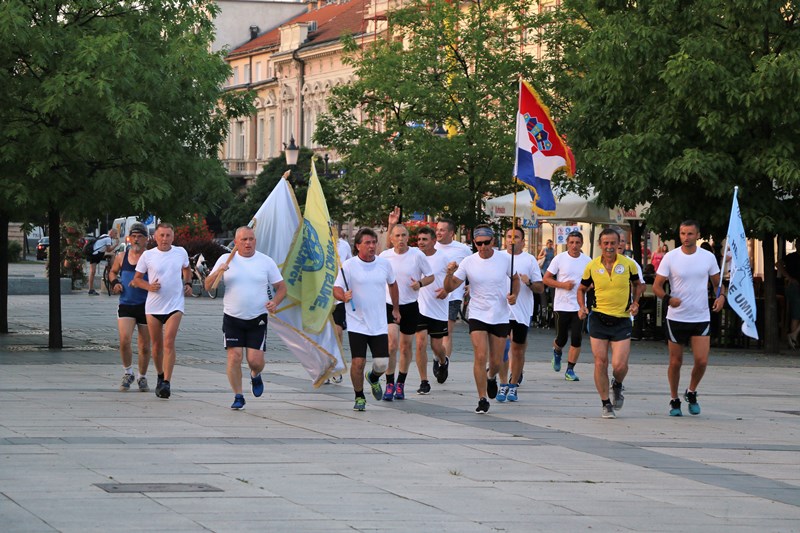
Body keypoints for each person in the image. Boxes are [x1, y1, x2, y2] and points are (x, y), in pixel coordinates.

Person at [206, 226, 287, 410]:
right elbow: (208, 286)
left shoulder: (265, 262)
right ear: (236, 242)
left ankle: (255, 375)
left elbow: (281, 287)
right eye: (244, 240)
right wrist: (219, 270)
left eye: (251, 239)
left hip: (257, 318)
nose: (248, 243)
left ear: (255, 241)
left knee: (255, 361)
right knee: (234, 357)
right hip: (232, 316)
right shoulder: (225, 260)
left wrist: (275, 302)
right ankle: (238, 395)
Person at [652, 220, 724, 416]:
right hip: (677, 317)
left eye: (690, 234)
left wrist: (721, 297)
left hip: (700, 315)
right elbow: (657, 286)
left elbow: (718, 284)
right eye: (683, 233)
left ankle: (691, 392)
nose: (686, 237)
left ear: (697, 234)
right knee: (676, 362)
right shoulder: (670, 257)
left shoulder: (707, 257)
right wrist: (668, 298)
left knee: (701, 361)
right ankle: (674, 399)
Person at [444, 225, 518, 414]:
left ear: (493, 241)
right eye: (479, 243)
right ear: (474, 243)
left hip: (500, 315)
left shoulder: (504, 259)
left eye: (486, 242)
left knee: (496, 361)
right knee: (480, 355)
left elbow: (515, 279)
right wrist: (449, 273)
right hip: (478, 314)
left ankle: (491, 376)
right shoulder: (469, 262)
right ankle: (482, 398)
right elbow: (450, 287)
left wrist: (514, 294)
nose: (483, 247)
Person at [577, 228, 641, 419]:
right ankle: (606, 403)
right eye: (606, 243)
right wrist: (582, 307)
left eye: (613, 243)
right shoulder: (592, 266)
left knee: (620, 365)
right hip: (598, 318)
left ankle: (618, 384)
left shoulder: (629, 264)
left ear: (619, 243)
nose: (610, 247)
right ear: (600, 245)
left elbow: (639, 284)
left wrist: (635, 302)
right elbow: (581, 289)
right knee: (600, 361)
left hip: (622, 319)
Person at [333, 228, 400, 411]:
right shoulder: (348, 266)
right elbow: (336, 288)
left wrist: (395, 308)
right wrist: (343, 296)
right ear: (358, 246)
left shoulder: (384, 264)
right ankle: (359, 396)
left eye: (374, 242)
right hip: (357, 322)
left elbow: (393, 285)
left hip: (378, 323)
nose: (372, 246)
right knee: (358, 362)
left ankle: (373, 377)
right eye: (367, 243)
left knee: (381, 363)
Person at [131, 223, 192, 399]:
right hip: (154, 306)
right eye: (162, 235)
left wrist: (187, 283)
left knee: (169, 342)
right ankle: (159, 375)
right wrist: (149, 286)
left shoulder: (180, 252)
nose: (165, 239)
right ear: (155, 237)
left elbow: (186, 268)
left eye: (168, 235)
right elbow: (136, 280)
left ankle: (167, 382)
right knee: (156, 346)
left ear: (173, 237)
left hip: (175, 304)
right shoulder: (148, 256)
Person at [379, 214, 433, 400]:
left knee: (405, 346)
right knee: (392, 344)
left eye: (404, 235)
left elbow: (430, 276)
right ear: (391, 239)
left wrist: (420, 283)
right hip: (390, 305)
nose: (401, 239)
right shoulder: (385, 256)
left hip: (410, 305)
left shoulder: (417, 255)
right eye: (397, 236)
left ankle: (401, 382)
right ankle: (389, 383)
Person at [543, 230, 592, 382]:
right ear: (567, 244)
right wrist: (562, 285)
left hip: (579, 305)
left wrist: (588, 287)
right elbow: (546, 279)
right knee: (562, 338)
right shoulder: (559, 259)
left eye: (577, 243)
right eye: (571, 242)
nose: (574, 246)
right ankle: (557, 352)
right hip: (561, 305)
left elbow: (593, 281)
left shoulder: (588, 260)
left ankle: (570, 370)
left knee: (577, 338)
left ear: (582, 244)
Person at [501, 227, 543, 402]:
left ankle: (513, 384)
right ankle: (503, 384)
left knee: (517, 350)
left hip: (521, 311)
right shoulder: (499, 257)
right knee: (502, 349)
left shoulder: (530, 260)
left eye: (516, 237)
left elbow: (540, 288)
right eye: (509, 236)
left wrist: (529, 282)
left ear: (523, 241)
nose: (512, 240)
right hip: (501, 311)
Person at [108, 222, 151, 392]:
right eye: (133, 236)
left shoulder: (150, 258)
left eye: (140, 236)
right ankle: (128, 372)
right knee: (124, 341)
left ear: (146, 239)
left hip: (146, 305)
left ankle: (142, 376)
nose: (136, 239)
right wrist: (115, 283)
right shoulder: (122, 256)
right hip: (126, 303)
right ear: (129, 238)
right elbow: (112, 272)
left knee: (145, 346)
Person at [414, 226, 451, 394]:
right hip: (419, 306)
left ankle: (443, 361)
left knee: (437, 346)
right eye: (419, 239)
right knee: (420, 343)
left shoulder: (443, 258)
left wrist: (446, 291)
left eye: (425, 239)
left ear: (434, 241)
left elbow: (455, 280)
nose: (421, 243)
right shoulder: (414, 256)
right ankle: (424, 381)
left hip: (438, 307)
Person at [434, 218, 472, 361]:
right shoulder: (431, 247)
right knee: (434, 333)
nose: (438, 233)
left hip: (453, 295)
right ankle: (438, 357)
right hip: (433, 296)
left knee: (447, 332)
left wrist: (470, 284)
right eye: (437, 229)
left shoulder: (463, 249)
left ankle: (444, 363)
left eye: (442, 230)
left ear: (451, 233)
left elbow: (472, 267)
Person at [329, 231, 353, 384]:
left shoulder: (343, 246)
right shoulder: (313, 245)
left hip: (338, 295)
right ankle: (324, 367)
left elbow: (351, 265)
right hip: (320, 297)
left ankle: (336, 365)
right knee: (322, 333)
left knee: (337, 332)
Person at [777, 250, 800, 349]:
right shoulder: (791, 257)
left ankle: (794, 335)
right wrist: (789, 278)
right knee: (796, 308)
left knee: (797, 309)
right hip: (793, 286)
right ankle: (794, 338)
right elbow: (778, 264)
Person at [87, 228, 118, 295]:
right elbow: (109, 250)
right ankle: (113, 269)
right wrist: (116, 244)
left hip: (93, 253)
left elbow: (103, 248)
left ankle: (90, 289)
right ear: (112, 233)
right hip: (97, 254)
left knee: (92, 272)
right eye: (115, 233)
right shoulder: (108, 239)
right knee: (113, 255)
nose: (116, 235)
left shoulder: (104, 235)